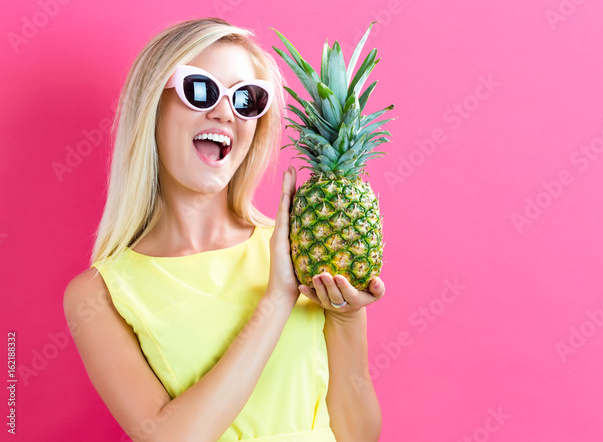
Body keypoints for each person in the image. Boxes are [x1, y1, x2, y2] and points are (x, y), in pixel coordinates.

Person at [62, 17, 385, 441]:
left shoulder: (307, 252)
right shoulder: (98, 294)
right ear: (150, 109)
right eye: (201, 91)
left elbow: (359, 435)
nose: (224, 112)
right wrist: (277, 298)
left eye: (247, 99)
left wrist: (345, 318)